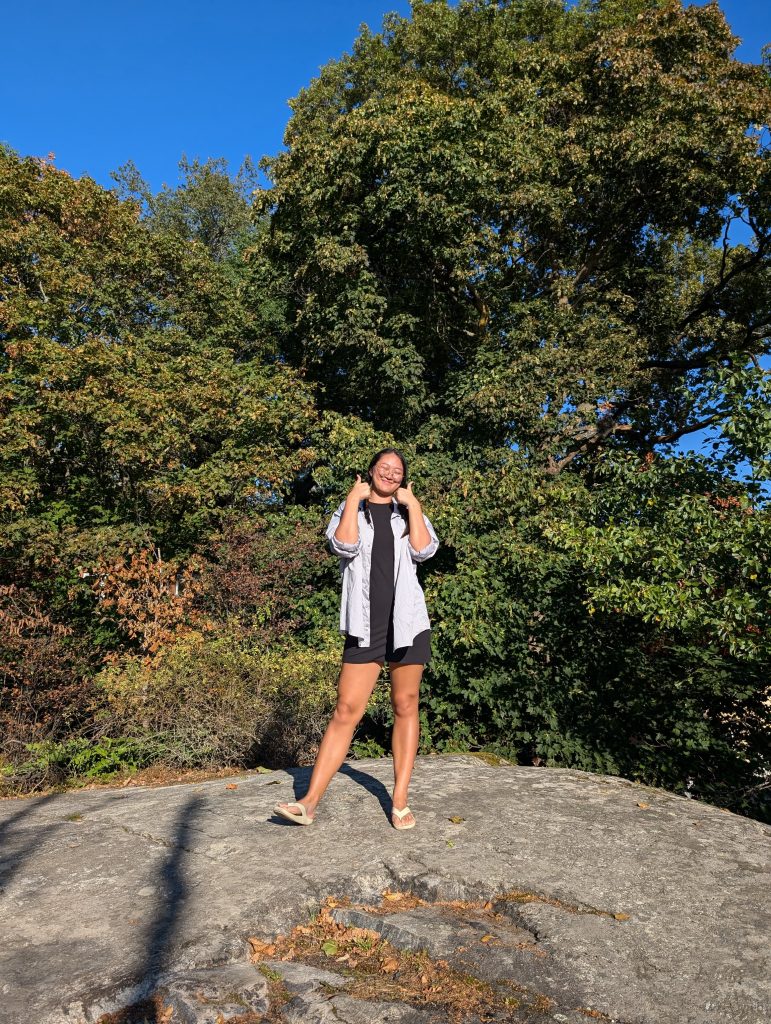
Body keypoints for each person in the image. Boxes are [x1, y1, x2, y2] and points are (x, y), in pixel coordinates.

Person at [274, 448, 439, 830]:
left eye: (398, 471)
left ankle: (399, 801)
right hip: (365, 624)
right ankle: (308, 803)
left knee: (406, 704)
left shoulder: (408, 512)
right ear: (371, 472)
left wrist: (413, 505)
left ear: (403, 479)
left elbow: (424, 550)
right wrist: (352, 499)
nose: (390, 473)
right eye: (384, 467)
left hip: (407, 622)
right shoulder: (352, 510)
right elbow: (343, 545)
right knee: (346, 710)